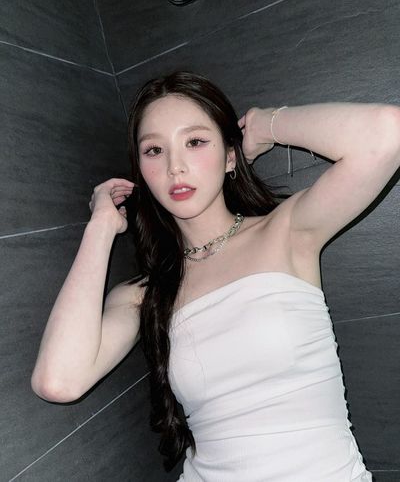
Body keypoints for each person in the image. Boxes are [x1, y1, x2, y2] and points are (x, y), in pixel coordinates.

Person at [31, 71, 400, 481]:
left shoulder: (287, 231)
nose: (175, 167)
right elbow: (59, 381)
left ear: (229, 157)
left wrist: (264, 125)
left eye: (195, 142)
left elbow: (388, 133)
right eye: (154, 150)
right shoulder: (145, 293)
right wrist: (101, 228)